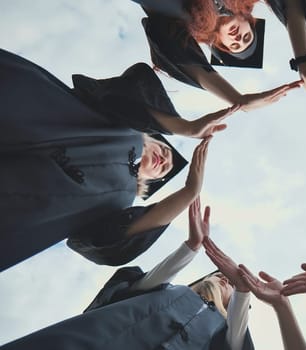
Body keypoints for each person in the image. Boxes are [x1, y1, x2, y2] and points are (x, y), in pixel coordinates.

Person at [0, 49, 237, 271]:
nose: (165, 160)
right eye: (165, 150)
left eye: (164, 169)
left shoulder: (118, 203)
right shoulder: (123, 125)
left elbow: (109, 246)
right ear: (151, 135)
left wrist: (189, 191)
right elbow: (126, 91)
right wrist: (183, 126)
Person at [0, 197, 255, 350]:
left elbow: (237, 339)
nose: (224, 278)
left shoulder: (223, 333)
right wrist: (191, 247)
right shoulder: (167, 292)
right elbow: (151, 281)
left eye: (229, 284)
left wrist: (243, 292)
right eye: (220, 275)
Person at [132, 0, 306, 112]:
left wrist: (237, 99)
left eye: (235, 45)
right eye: (247, 37)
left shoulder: (181, 22)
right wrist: (304, 64)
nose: (239, 38)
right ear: (247, 18)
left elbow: (179, 57)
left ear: (220, 42)